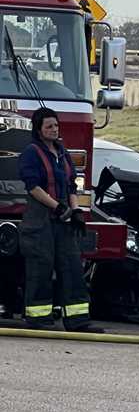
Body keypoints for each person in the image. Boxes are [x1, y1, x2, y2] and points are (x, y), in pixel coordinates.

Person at [17, 107, 103, 332]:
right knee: (40, 268)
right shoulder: (31, 153)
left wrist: (76, 212)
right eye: (49, 126)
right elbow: (33, 187)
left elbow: (71, 185)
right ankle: (39, 319)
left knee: (72, 266)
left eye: (56, 125)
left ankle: (78, 320)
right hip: (40, 220)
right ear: (39, 129)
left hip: (63, 219)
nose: (54, 130)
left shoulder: (62, 152)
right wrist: (57, 208)